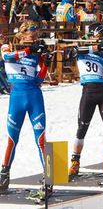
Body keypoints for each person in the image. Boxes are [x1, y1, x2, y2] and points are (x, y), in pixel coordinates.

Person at [0, 21, 51, 196]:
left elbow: (39, 79)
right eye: (32, 34)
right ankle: (4, 174)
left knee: (41, 139)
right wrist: (29, 51)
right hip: (17, 97)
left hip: (34, 96)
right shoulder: (9, 45)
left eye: (37, 34)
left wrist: (46, 62)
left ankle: (49, 178)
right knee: (12, 139)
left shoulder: (37, 50)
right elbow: (7, 58)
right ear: (22, 34)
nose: (35, 37)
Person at [68, 23, 103, 181]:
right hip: (88, 92)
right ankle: (75, 161)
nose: (99, 41)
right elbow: (72, 52)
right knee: (82, 127)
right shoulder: (82, 47)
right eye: (96, 37)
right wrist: (95, 48)